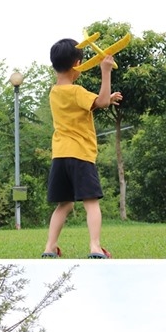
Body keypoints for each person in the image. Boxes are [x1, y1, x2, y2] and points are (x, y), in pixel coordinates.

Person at [42, 38, 122, 260]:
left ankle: (50, 247)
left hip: (60, 155)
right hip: (81, 155)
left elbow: (96, 102)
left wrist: (107, 96)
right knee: (91, 204)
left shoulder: (54, 92)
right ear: (78, 64)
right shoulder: (76, 90)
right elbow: (103, 103)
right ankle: (95, 247)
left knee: (64, 205)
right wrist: (105, 71)